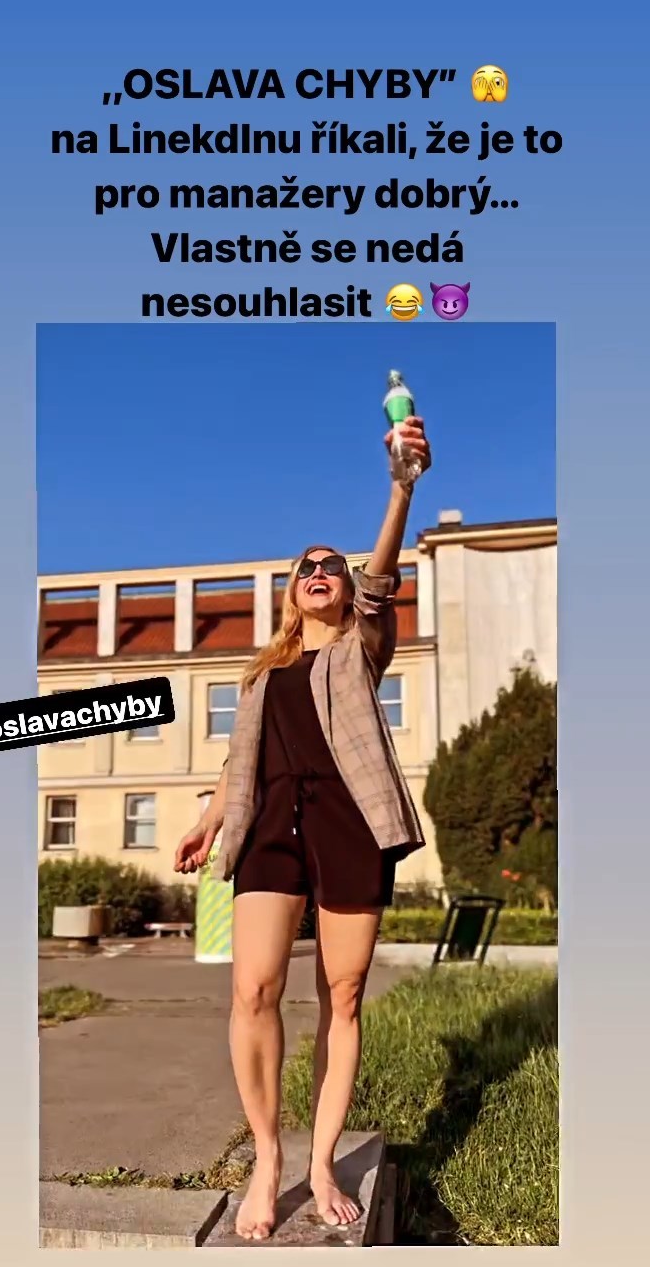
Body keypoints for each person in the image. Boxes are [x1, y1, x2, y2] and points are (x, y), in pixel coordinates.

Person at [174, 413, 431, 1241]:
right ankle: (267, 1158)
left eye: (332, 566)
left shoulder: (362, 648)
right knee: (252, 989)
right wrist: (211, 819)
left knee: (341, 997)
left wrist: (400, 491)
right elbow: (240, 759)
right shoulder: (261, 672)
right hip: (271, 827)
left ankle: (321, 1163)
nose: (320, 572)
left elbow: (382, 580)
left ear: (344, 587)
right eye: (305, 568)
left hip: (350, 822)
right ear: (291, 592)